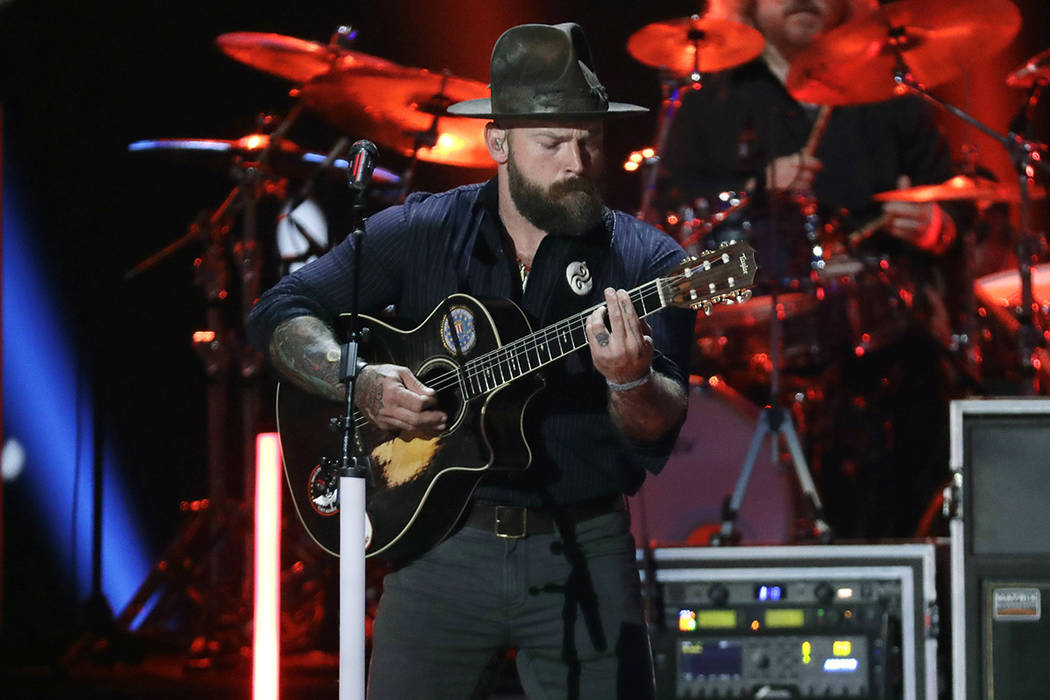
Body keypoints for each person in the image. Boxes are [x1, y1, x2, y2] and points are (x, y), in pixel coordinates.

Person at [247, 23, 695, 699]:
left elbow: (657, 423)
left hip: (584, 544)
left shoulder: (647, 261)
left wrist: (630, 379)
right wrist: (360, 381)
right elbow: (279, 311)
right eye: (552, 142)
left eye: (590, 138)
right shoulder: (420, 229)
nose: (577, 160)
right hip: (438, 548)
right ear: (498, 143)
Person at [662, 0, 966, 539]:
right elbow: (670, 213)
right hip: (745, 335)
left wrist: (934, 224)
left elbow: (958, 195)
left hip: (879, 336)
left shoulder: (893, 95)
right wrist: (756, 191)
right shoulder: (710, 101)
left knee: (921, 397)